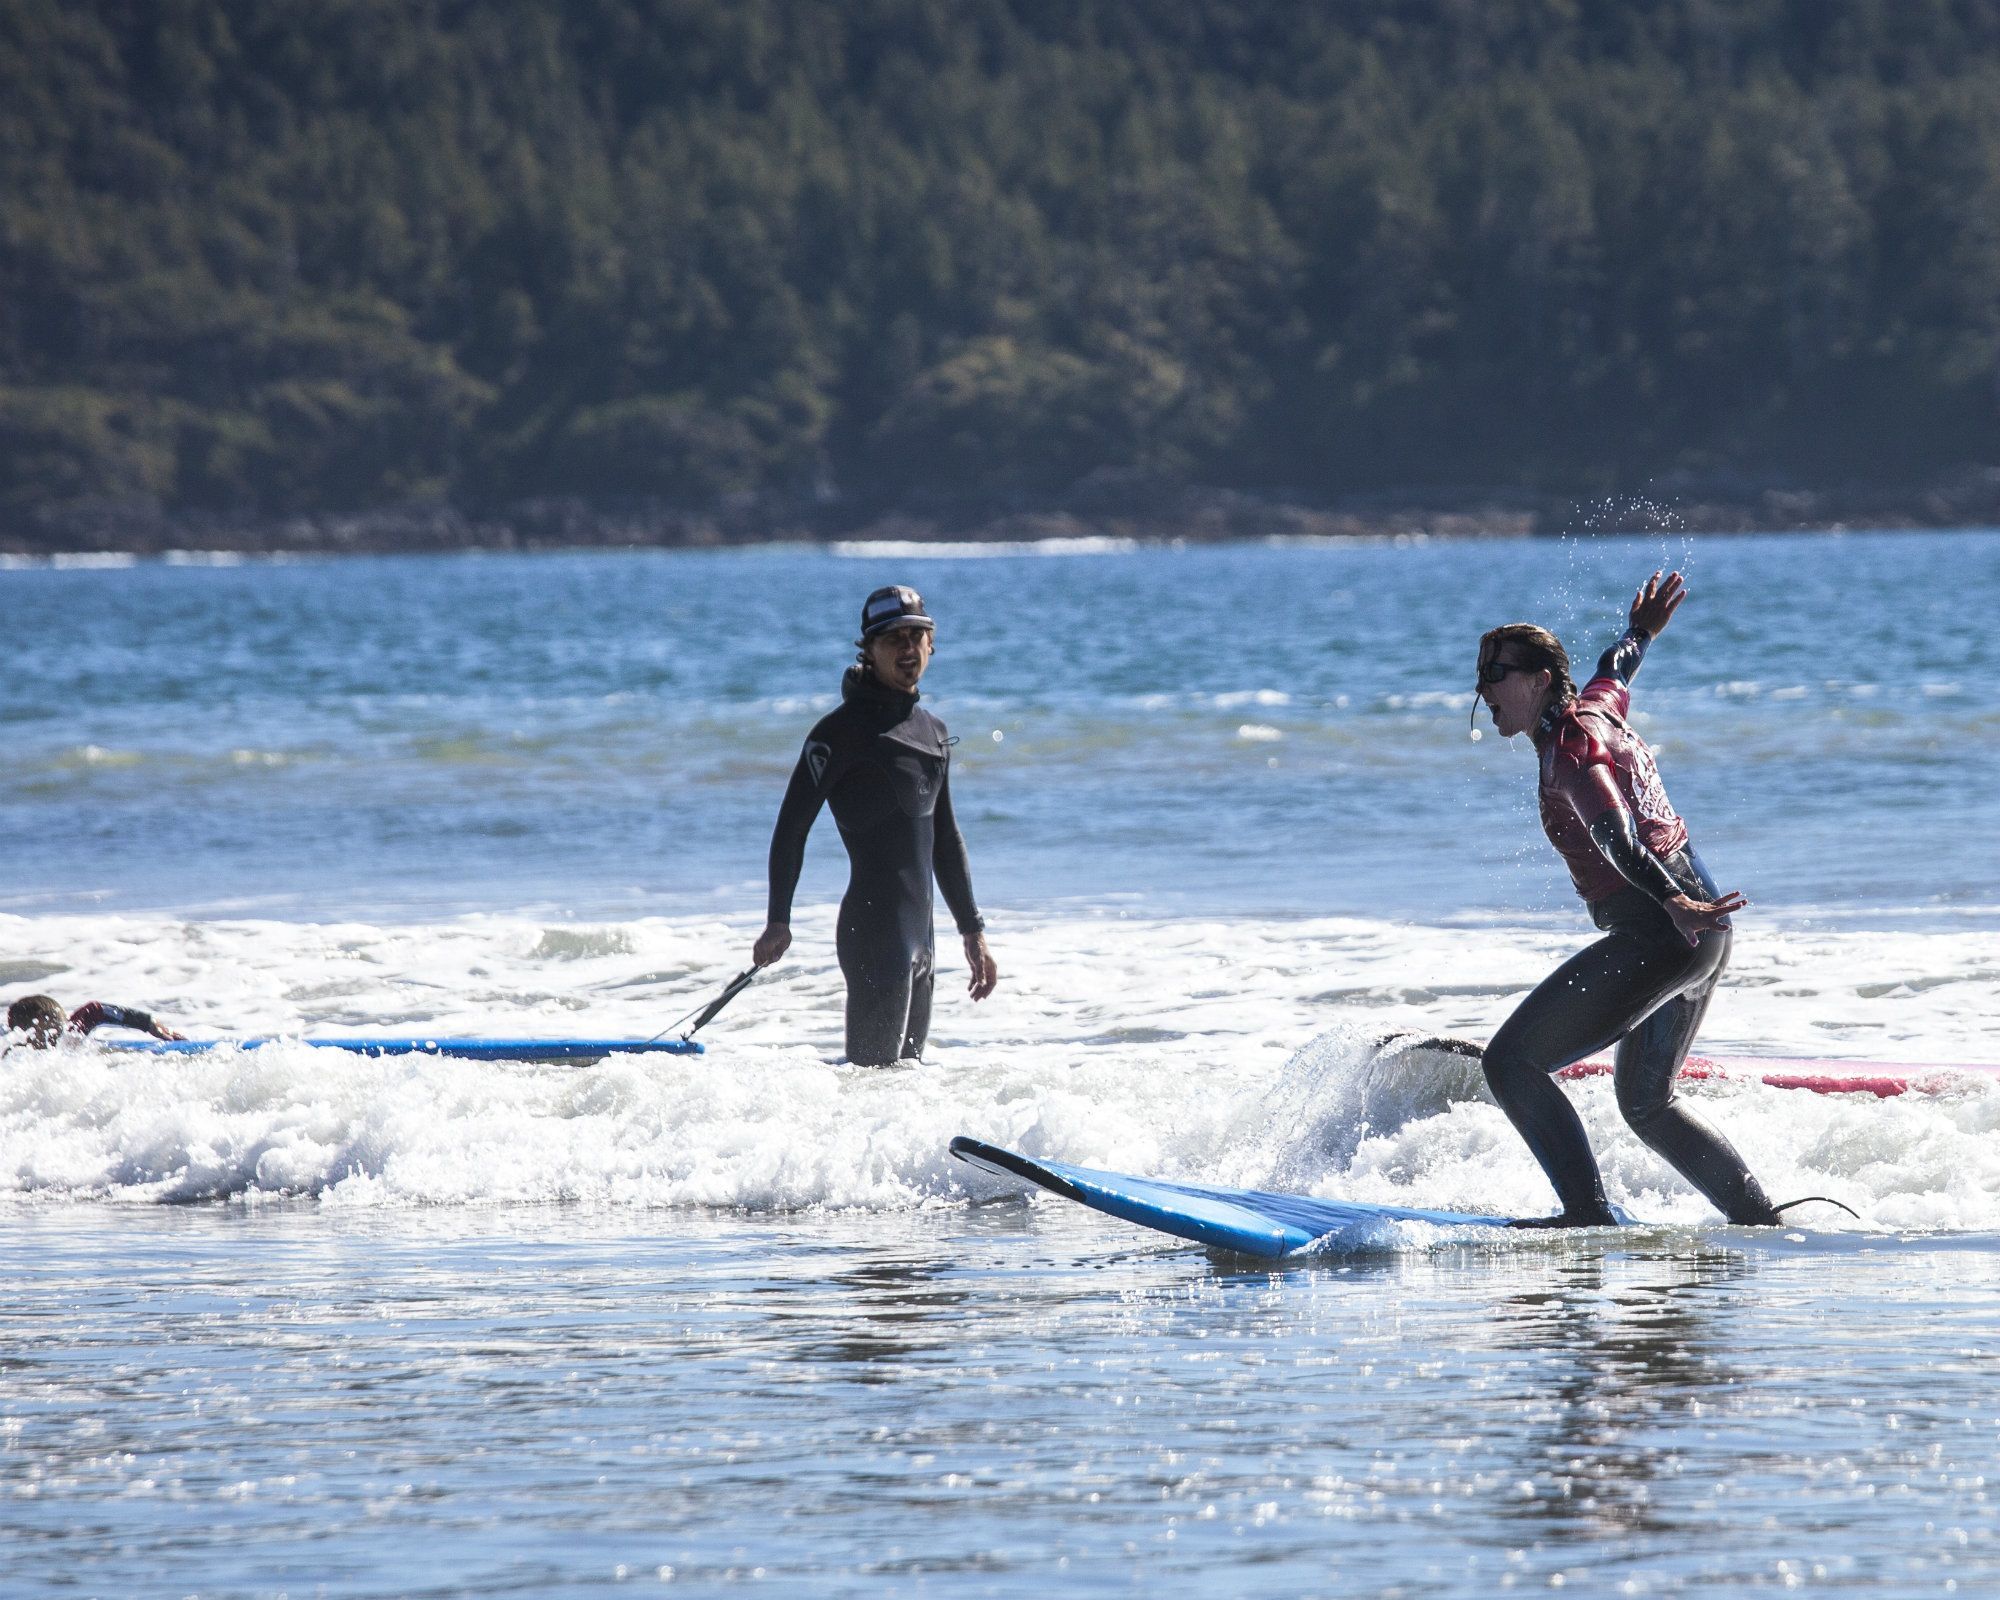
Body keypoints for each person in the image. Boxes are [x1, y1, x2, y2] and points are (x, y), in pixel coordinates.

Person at [1472, 570, 1782, 1227]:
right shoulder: (1598, 709)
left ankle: (1586, 1213)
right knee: (1646, 1102)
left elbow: (1615, 835)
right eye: (1479, 671)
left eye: (1496, 672)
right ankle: (1760, 1222)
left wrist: (1670, 901)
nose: (1483, 687)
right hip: (1705, 932)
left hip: (1664, 930)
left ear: (1539, 680)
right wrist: (1641, 630)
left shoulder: (1572, 753)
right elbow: (1618, 666)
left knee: (1510, 1063)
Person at [756, 585, 999, 1064]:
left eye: (916, 637)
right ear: (868, 650)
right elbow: (791, 829)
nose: (908, 649)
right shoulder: (838, 733)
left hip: (922, 940)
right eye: (893, 640)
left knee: (905, 1081)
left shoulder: (933, 731)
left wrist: (973, 932)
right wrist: (777, 921)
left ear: (932, 645)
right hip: (873, 932)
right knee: (869, 1082)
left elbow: (945, 840)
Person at [7, 993, 186, 1046]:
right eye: (62, 1020)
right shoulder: (13, 1052)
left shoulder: (70, 1033)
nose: (67, 1024)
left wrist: (149, 1023)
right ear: (42, 1020)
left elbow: (95, 1009)